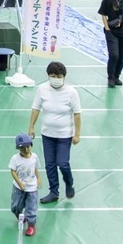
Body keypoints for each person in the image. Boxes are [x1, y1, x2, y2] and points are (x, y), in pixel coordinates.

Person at [28, 61, 82, 204]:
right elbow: (36, 108)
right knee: (50, 164)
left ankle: (69, 182)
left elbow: (77, 114)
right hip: (47, 134)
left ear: (64, 76)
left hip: (64, 135)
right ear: (48, 76)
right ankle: (54, 192)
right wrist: (31, 127)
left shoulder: (71, 92)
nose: (56, 79)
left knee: (62, 163)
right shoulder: (42, 89)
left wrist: (77, 134)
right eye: (53, 76)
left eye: (58, 76)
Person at [9, 133, 42, 237]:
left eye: (28, 146)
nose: (26, 150)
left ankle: (31, 225)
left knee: (31, 207)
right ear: (18, 148)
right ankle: (22, 217)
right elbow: (13, 171)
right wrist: (20, 183)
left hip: (32, 188)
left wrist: (39, 178)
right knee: (15, 207)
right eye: (23, 148)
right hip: (18, 188)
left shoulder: (34, 157)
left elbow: (35, 168)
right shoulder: (15, 159)